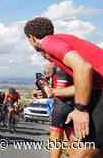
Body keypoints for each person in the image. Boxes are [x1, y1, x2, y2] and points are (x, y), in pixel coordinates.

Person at [24, 17, 103, 157]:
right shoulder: (59, 41)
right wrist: (53, 92)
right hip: (97, 90)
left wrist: (80, 109)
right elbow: (83, 83)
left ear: (31, 38)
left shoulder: (48, 42)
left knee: (83, 154)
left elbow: (84, 68)